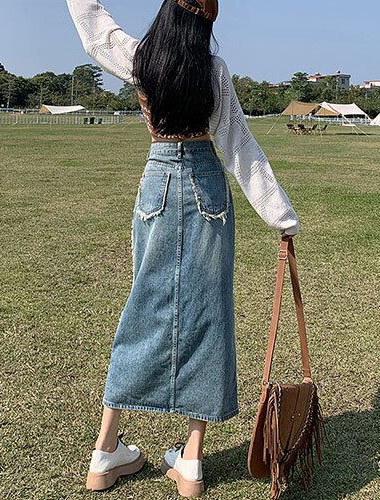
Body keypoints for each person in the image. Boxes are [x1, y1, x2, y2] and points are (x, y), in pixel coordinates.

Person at [66, 0, 300, 496]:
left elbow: (94, 28)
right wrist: (282, 217)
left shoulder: (141, 58)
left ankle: (104, 452)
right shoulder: (213, 70)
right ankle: (190, 461)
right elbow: (239, 145)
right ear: (207, 22)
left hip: (157, 185)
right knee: (210, 313)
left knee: (142, 308)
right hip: (206, 187)